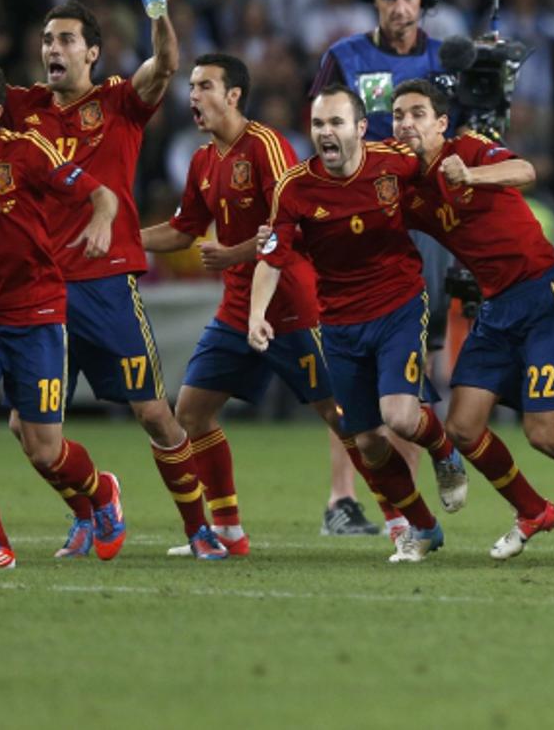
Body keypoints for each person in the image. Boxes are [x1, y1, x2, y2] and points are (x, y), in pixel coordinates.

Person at [141, 54, 467, 558]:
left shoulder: (268, 148)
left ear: (233, 95)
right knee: (191, 410)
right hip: (241, 307)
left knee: (348, 424)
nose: (192, 95)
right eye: (191, 85)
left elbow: (281, 237)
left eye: (203, 85)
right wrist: (124, 240)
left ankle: (400, 520)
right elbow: (185, 229)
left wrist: (232, 253)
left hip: (299, 309)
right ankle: (227, 530)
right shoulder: (204, 161)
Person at [1, 0, 228, 559]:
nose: (54, 48)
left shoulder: (119, 103)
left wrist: (157, 8)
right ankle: (93, 507)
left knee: (153, 411)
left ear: (93, 52)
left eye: (67, 39)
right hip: (40, 290)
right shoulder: (20, 110)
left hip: (105, 286)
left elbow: (167, 67)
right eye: (48, 39)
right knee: (28, 431)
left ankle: (198, 529)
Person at [392, 79, 554, 559]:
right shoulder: (410, 190)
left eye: (418, 114)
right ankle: (533, 510)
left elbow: (526, 169)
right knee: (463, 428)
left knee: (544, 433)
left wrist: (470, 175)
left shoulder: (467, 147)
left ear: (440, 123)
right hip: (496, 307)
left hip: (546, 296)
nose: (406, 123)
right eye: (399, 115)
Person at [250, 86, 447, 563]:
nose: (326, 133)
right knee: (368, 442)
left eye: (336, 123)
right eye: (318, 125)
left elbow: (442, 179)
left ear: (360, 128)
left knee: (400, 415)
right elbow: (271, 258)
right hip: (338, 320)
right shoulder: (295, 187)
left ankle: (445, 454)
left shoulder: (394, 162)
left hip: (400, 303)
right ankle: (422, 525)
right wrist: (256, 313)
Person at [309, 0, 452, 532]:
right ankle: (341, 500)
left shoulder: (446, 59)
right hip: (355, 222)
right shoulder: (344, 56)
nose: (399, 6)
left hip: (421, 226)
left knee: (418, 362)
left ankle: (404, 503)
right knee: (351, 365)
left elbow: (460, 139)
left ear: (424, 0)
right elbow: (318, 127)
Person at [0, 57, 125, 568]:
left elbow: (100, 194)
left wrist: (102, 223)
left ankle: (100, 492)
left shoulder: (24, 153)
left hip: (36, 313)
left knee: (43, 448)